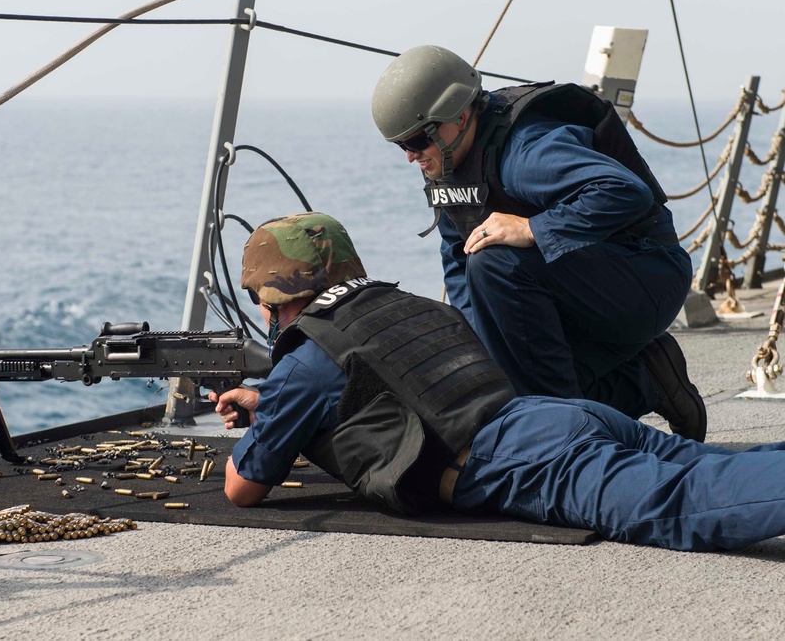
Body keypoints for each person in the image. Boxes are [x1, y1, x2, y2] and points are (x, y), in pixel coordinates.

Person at [210, 212, 785, 552]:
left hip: (524, 459)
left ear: (276, 296)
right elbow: (397, 390)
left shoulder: (307, 359)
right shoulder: (404, 306)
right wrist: (274, 402)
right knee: (717, 466)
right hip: (561, 418)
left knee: (686, 506)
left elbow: (243, 488)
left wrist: (272, 406)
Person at [369, 45, 706, 441]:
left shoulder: (525, 151)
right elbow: (458, 259)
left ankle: (567, 443)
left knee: (494, 262)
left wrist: (532, 229)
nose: (411, 157)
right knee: (508, 392)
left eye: (416, 142)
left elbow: (625, 191)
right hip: (581, 287)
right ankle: (648, 378)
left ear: (458, 117)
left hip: (646, 280)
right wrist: (483, 363)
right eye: (401, 146)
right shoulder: (450, 164)